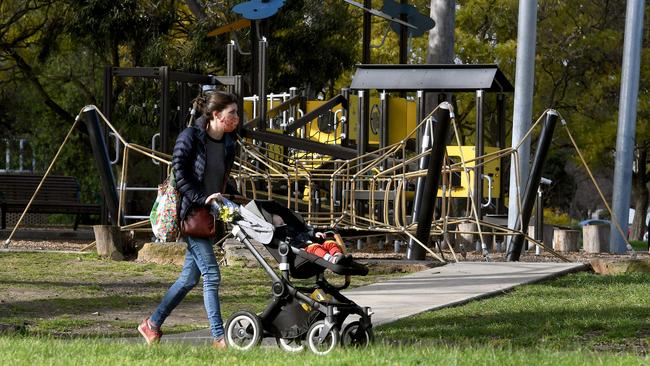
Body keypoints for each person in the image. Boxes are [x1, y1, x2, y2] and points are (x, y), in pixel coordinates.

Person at [138, 91, 240, 349]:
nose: (236, 118)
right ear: (216, 115)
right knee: (212, 275)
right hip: (191, 214)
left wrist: (235, 197)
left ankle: (151, 324)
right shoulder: (190, 137)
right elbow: (180, 174)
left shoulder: (229, 143)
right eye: (232, 114)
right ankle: (219, 338)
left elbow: (222, 176)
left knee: (188, 279)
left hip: (210, 216)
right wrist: (201, 197)